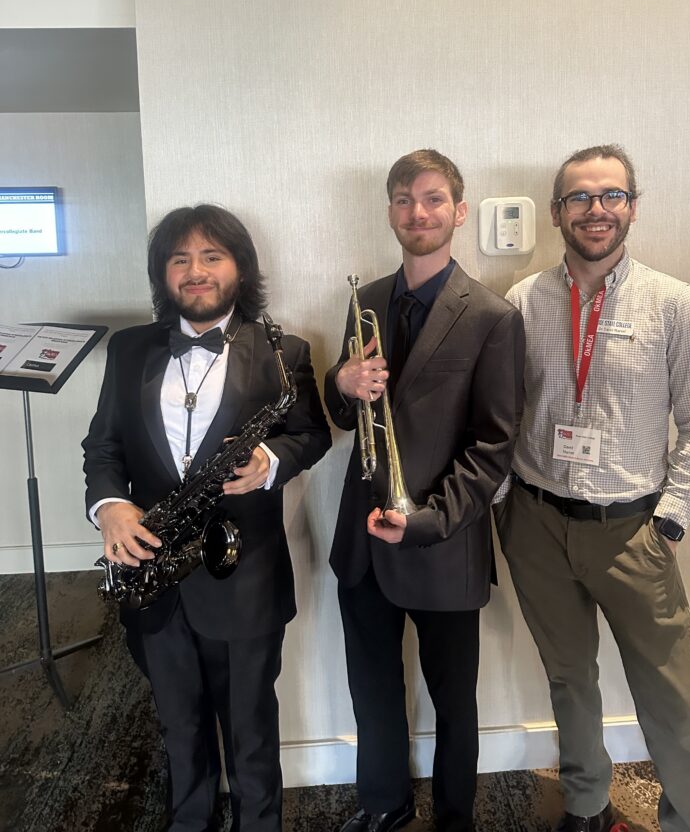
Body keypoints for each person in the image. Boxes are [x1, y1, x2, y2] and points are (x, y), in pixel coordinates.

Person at [494, 145, 690, 832]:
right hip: (537, 523)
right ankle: (587, 805)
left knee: (671, 695)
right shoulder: (523, 301)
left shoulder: (672, 302)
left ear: (632, 205)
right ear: (558, 212)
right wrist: (506, 508)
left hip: (634, 528)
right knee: (569, 680)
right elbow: (503, 413)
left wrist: (672, 519)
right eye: (581, 198)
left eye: (612, 196)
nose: (597, 209)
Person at [83, 204, 331, 832]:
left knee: (249, 727)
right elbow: (104, 446)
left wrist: (271, 459)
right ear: (162, 274)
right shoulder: (130, 349)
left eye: (211, 256)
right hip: (153, 575)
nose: (195, 271)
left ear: (239, 269)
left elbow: (311, 433)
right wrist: (110, 506)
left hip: (243, 574)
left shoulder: (284, 352)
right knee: (177, 723)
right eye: (180, 258)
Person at [325, 149, 525, 832]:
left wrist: (428, 520)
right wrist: (340, 385)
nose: (419, 211)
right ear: (390, 211)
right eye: (405, 199)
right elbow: (351, 410)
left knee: (453, 699)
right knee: (372, 689)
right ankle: (383, 802)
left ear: (458, 212)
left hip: (442, 543)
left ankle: (454, 815)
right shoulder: (366, 301)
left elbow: (494, 446)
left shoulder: (492, 317)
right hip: (363, 543)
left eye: (434, 199)